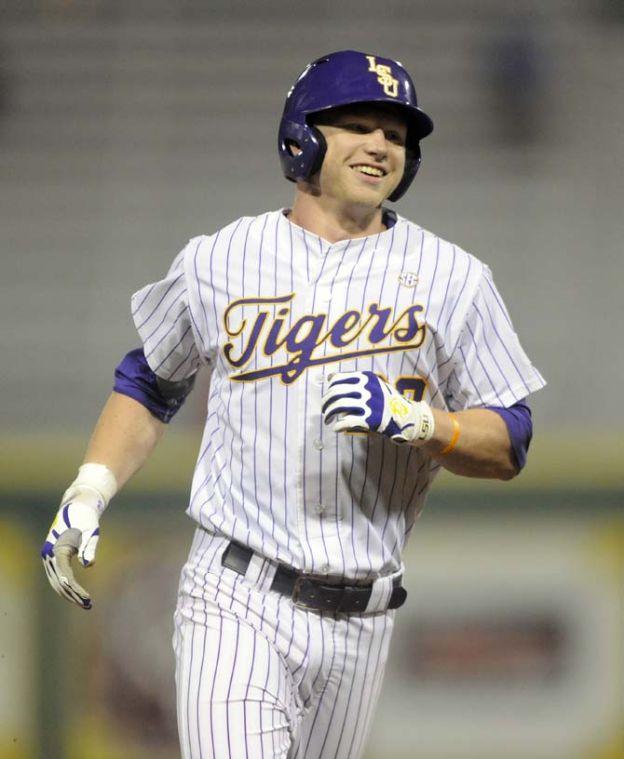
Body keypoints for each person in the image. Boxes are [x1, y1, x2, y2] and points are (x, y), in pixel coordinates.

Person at [41, 50, 545, 759]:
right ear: (303, 135)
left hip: (364, 616)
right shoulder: (221, 257)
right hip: (236, 593)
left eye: (396, 135)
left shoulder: (455, 278)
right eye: (359, 125)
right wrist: (90, 489)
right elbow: (149, 381)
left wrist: (427, 424)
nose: (380, 145)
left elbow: (511, 439)